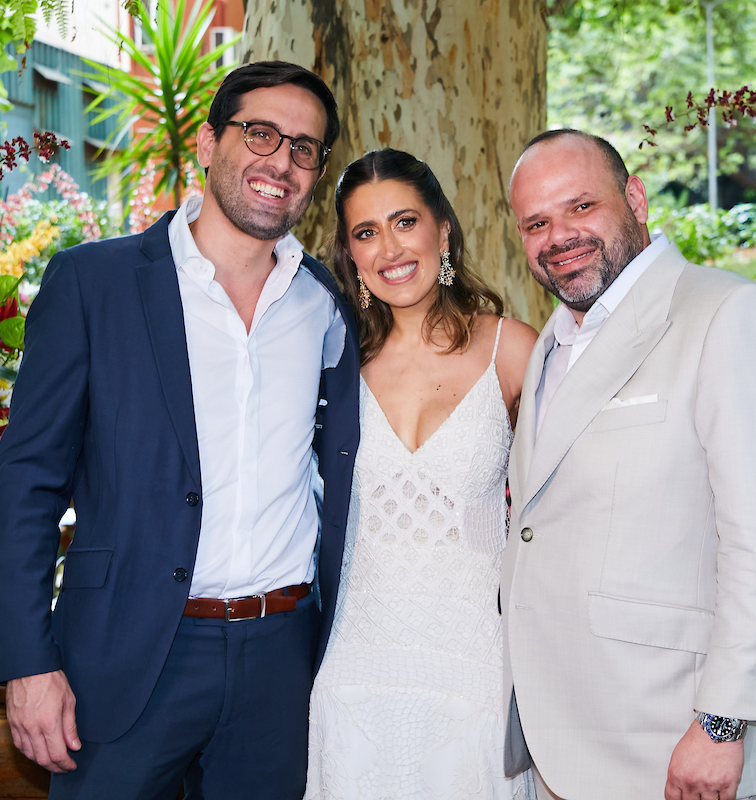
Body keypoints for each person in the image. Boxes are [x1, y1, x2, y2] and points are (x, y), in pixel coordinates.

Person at [0, 61, 360, 800]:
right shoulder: (93, 284)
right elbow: (27, 483)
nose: (280, 161)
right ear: (208, 142)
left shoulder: (328, 303)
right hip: (127, 653)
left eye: (304, 148)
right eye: (261, 134)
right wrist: (28, 661)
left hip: (281, 661)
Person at [501, 129, 756, 800]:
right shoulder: (549, 347)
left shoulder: (729, 314)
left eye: (581, 207)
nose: (559, 235)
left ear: (636, 198)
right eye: (536, 222)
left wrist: (721, 724)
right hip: (564, 731)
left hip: (674, 731)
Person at [305, 148, 537, 799]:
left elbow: (564, 505)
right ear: (350, 253)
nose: (389, 248)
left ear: (443, 229)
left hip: (475, 667)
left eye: (405, 222)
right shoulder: (330, 360)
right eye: (365, 232)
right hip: (355, 667)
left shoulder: (511, 349)